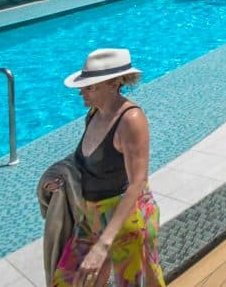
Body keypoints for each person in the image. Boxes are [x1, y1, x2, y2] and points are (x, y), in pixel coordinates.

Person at [45, 48, 165, 287]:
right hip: (90, 217)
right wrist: (62, 178)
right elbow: (89, 160)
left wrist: (103, 245)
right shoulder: (94, 114)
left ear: (113, 84)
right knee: (65, 282)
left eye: (89, 87)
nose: (81, 91)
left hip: (126, 220)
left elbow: (137, 183)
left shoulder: (130, 120)